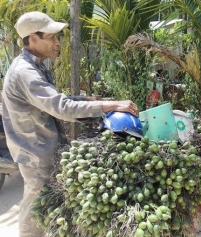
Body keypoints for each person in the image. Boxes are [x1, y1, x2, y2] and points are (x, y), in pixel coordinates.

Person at [1, 11, 139, 237]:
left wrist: (96, 101)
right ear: (33, 39)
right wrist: (108, 105)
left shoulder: (36, 66)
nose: (58, 43)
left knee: (43, 206)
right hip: (36, 151)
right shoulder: (25, 72)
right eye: (52, 37)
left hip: (43, 146)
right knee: (34, 208)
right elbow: (61, 107)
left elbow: (58, 100)